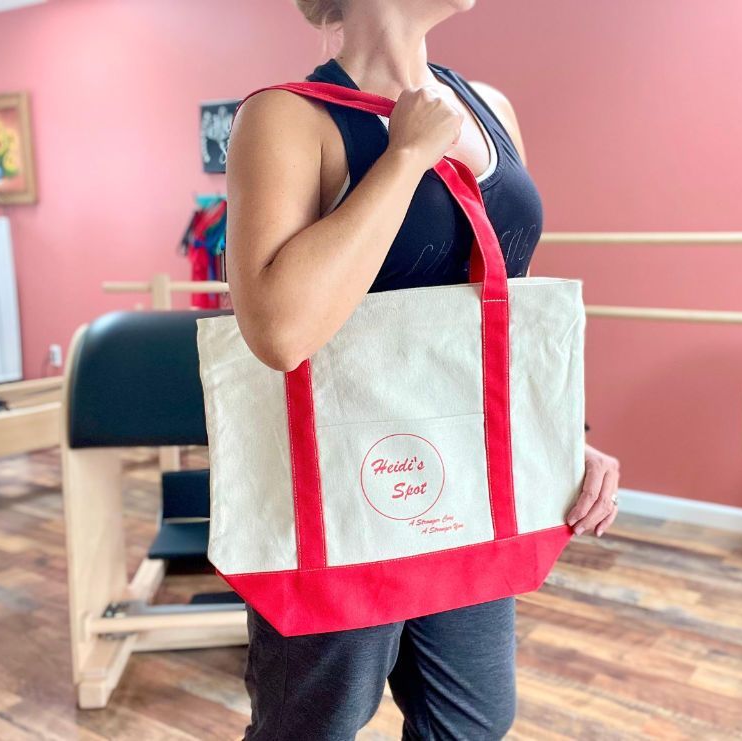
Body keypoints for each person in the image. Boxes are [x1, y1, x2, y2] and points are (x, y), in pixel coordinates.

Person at [224, 1, 622, 737]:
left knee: (473, 719)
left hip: (460, 479)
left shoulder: (488, 107)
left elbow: (496, 305)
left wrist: (560, 433)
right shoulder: (285, 118)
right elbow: (279, 331)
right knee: (314, 724)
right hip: (337, 488)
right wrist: (404, 158)